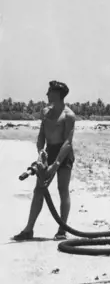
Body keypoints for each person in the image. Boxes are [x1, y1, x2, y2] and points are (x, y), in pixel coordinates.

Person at [13, 81, 77, 241]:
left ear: (58, 94)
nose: (47, 94)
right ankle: (28, 229)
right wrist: (41, 152)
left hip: (64, 153)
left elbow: (68, 142)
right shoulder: (46, 112)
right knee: (39, 190)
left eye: (50, 92)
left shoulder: (69, 115)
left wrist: (56, 165)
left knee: (63, 190)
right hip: (49, 152)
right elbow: (41, 135)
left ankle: (62, 229)